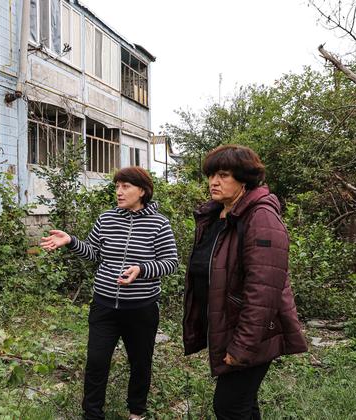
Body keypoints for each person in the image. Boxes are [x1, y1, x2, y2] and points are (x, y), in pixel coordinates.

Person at [41, 166, 179, 420]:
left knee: (140, 363)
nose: (119, 191)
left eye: (125, 186)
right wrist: (71, 241)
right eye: (117, 186)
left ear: (143, 191)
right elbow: (93, 252)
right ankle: (92, 415)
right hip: (104, 305)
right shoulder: (107, 219)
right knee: (96, 361)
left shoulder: (159, 224)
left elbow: (171, 262)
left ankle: (136, 413)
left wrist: (142, 269)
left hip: (141, 309)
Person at [182, 145, 307, 420]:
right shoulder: (218, 215)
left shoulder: (260, 217)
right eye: (211, 175)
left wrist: (243, 346)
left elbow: (264, 292)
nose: (214, 182)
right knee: (243, 405)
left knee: (228, 406)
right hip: (230, 326)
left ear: (244, 180)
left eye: (224, 175)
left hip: (251, 332)